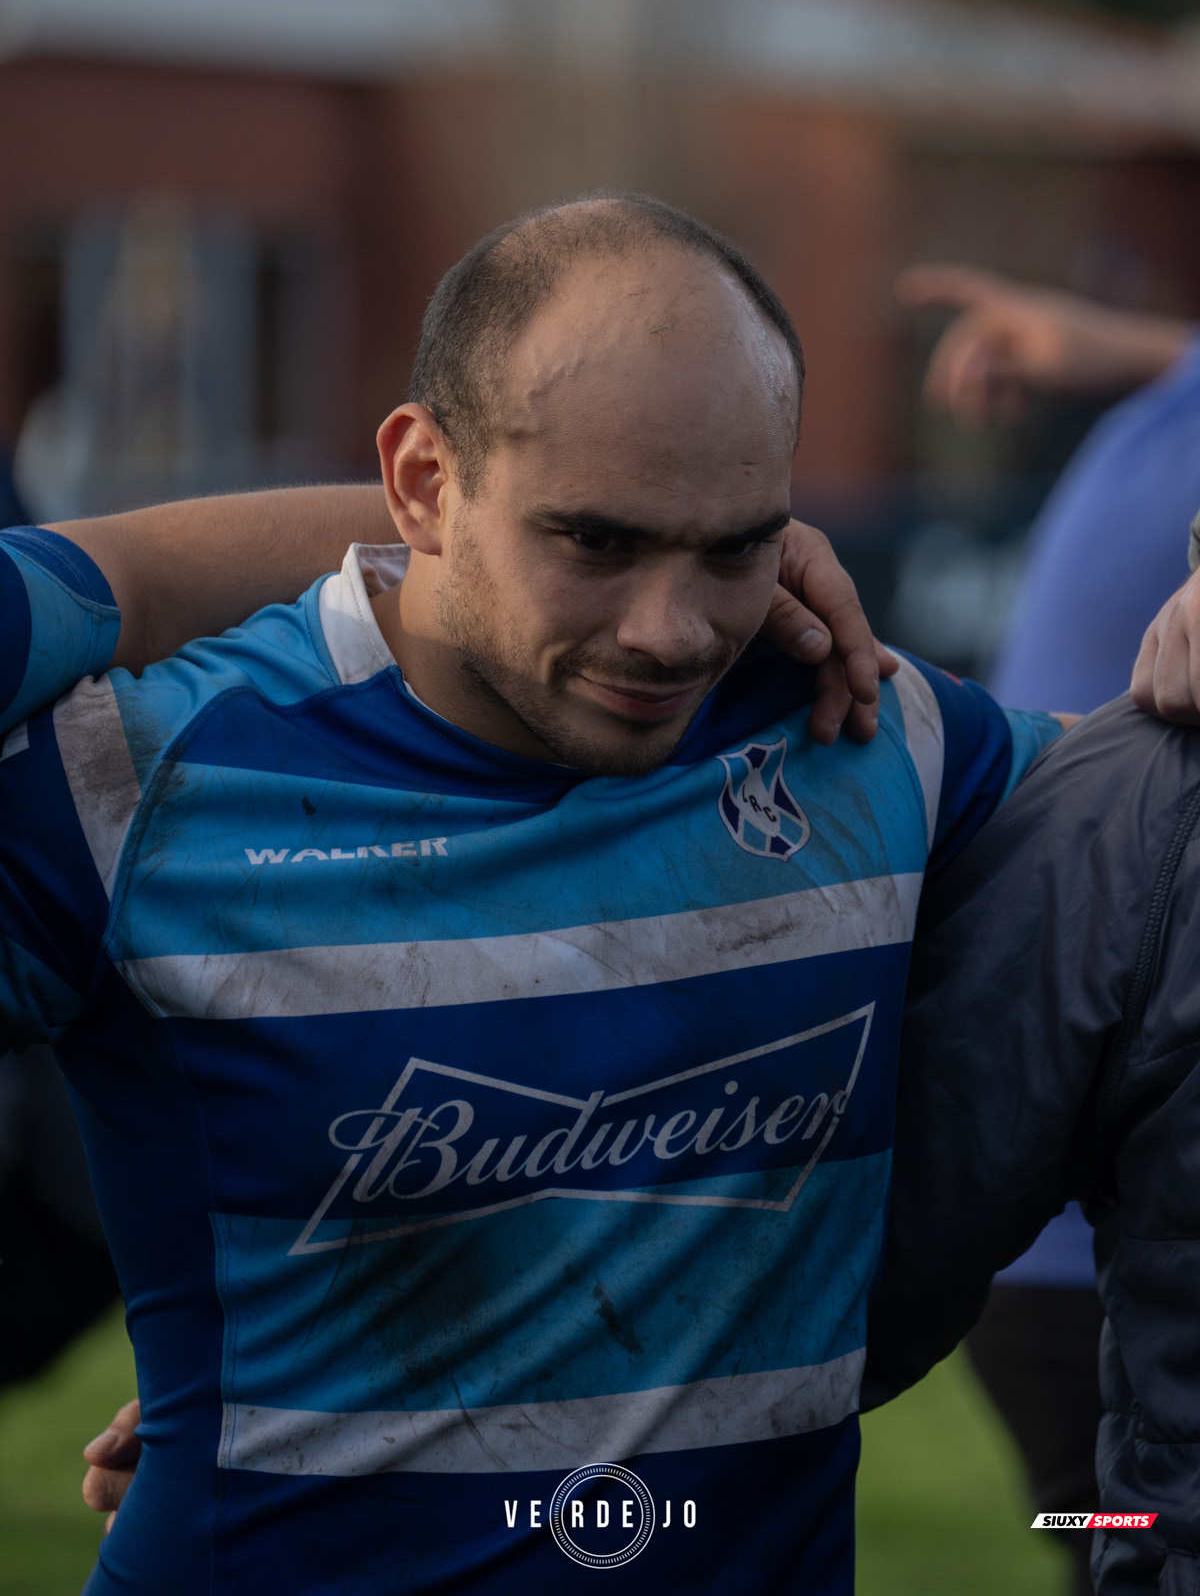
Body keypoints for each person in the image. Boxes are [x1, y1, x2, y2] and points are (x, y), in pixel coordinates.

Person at [0, 192, 1065, 1595]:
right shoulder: (134, 786)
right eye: (598, 540)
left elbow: (1145, 881)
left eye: (737, 544)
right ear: (422, 482)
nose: (671, 632)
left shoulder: (874, 734)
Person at [896, 265, 1200, 1595]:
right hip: (1057, 1219)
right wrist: (1132, 347)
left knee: (1114, 1530)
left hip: (1097, 1227)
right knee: (1106, 1533)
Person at [861, 675, 1200, 1596]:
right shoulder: (1154, 771)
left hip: (1050, 1290)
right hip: (1053, 1292)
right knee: (1083, 1514)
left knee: (1084, 1515)